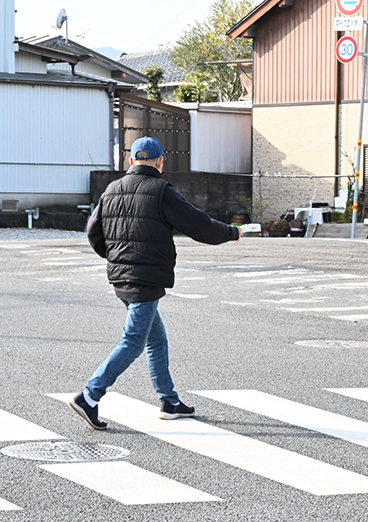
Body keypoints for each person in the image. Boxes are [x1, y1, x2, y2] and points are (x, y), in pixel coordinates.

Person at [69, 136, 240, 429]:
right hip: (145, 280)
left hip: (121, 276)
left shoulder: (111, 190)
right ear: (161, 162)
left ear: (131, 161)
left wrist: (116, 258)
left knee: (156, 339)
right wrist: (231, 232)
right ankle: (89, 396)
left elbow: (93, 233)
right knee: (133, 341)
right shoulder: (161, 191)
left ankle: (169, 401)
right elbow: (198, 225)